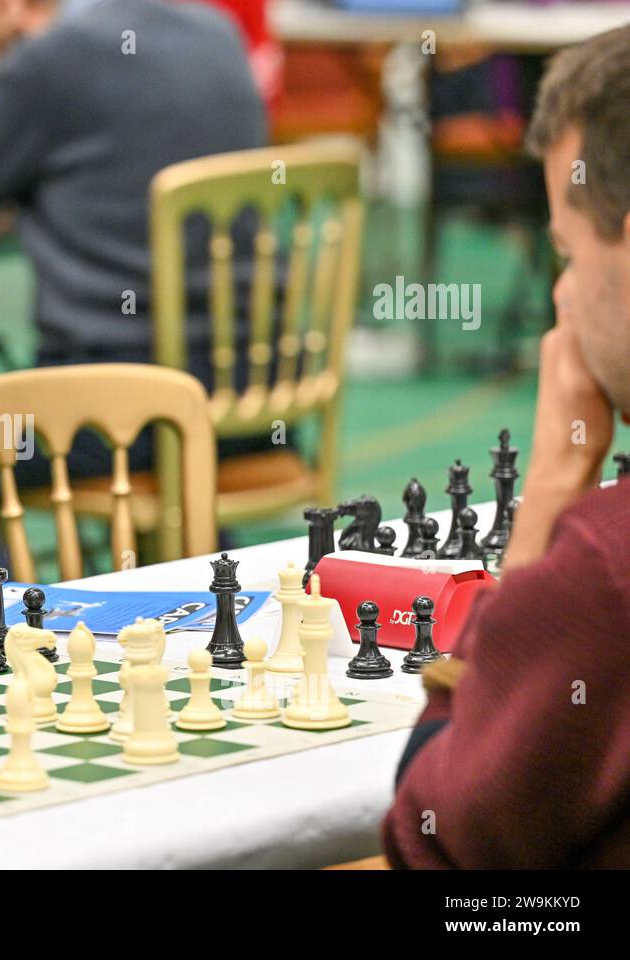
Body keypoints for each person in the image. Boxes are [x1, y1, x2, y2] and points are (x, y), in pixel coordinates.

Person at [0, 0, 270, 608]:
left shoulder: (54, 58)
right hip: (246, 402)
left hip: (112, 419)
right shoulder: (218, 36)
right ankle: (183, 580)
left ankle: (33, 623)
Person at [382, 24, 630, 868]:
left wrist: (556, 487)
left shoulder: (604, 570)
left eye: (568, 252)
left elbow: (437, 843)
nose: (560, 293)